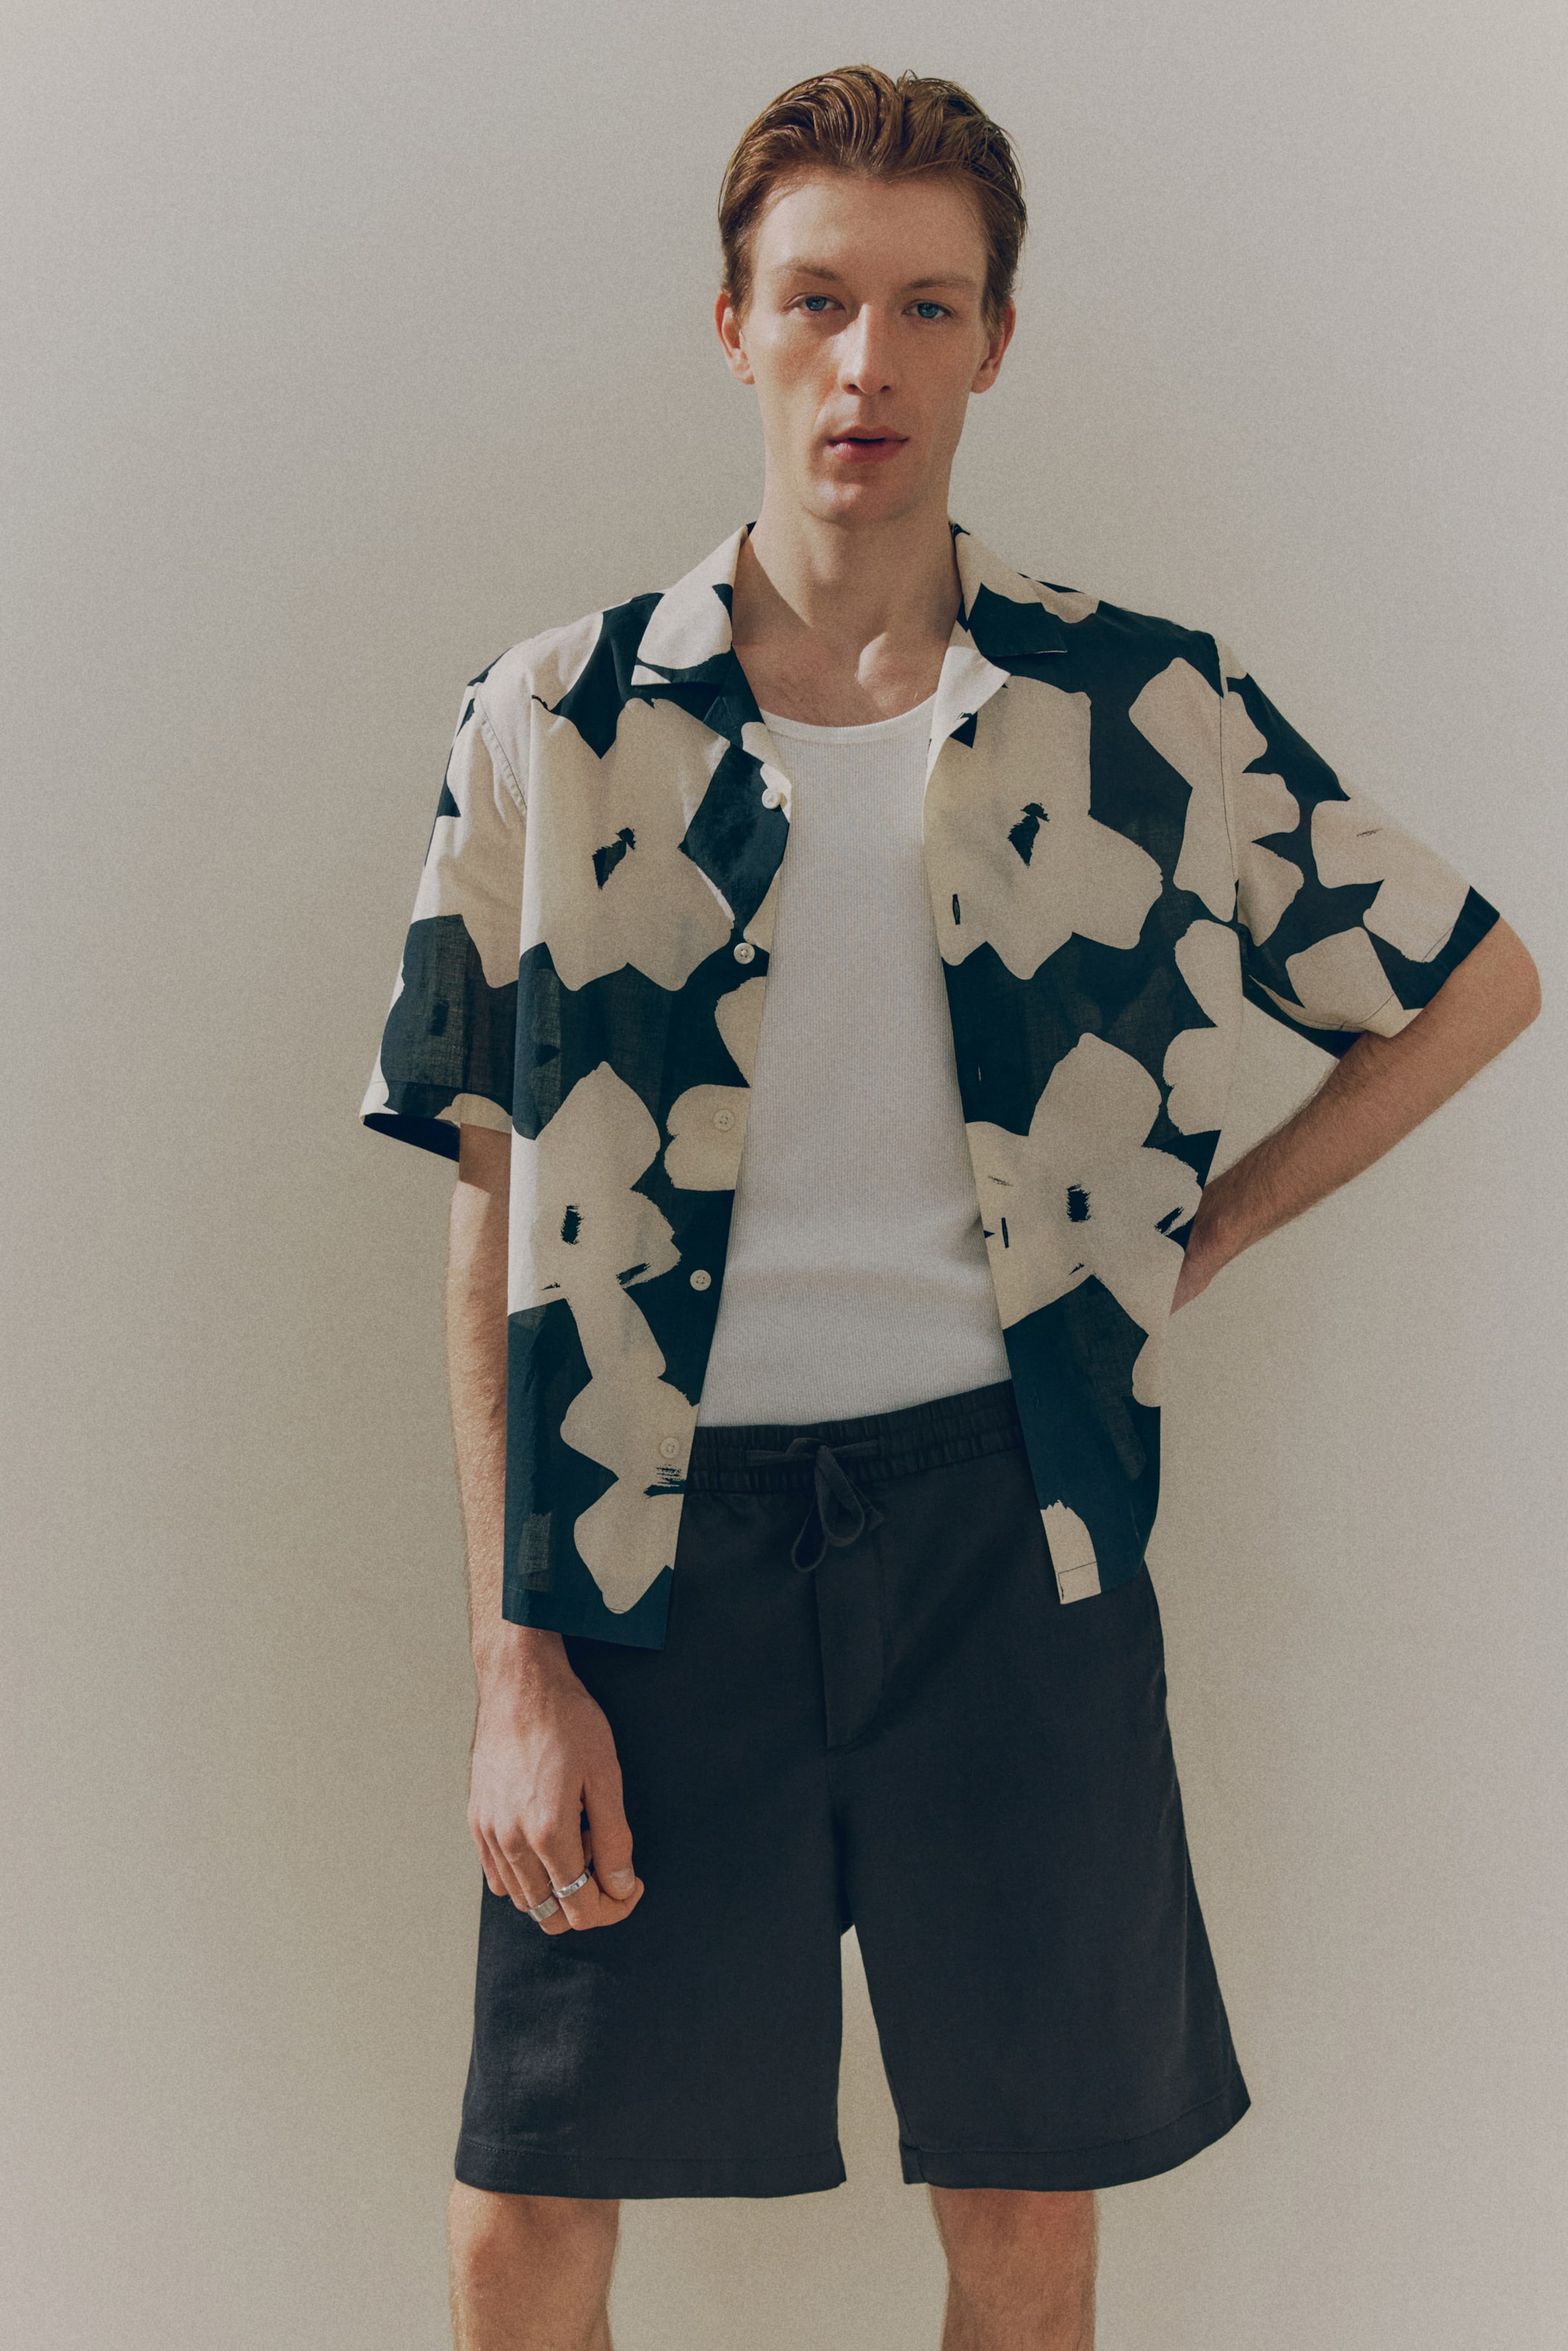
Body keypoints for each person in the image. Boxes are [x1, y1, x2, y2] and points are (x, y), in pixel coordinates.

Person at [359, 64, 1540, 2351]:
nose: (866, 365)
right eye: (818, 301)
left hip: (1013, 1539)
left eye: (925, 307)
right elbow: (488, 1207)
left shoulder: (1144, 707)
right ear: (732, 324)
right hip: (648, 1559)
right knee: (526, 2214)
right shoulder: (554, 720)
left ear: (997, 339)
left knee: (1023, 2215)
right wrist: (519, 1654)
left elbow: (1472, 986)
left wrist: (1202, 1236)